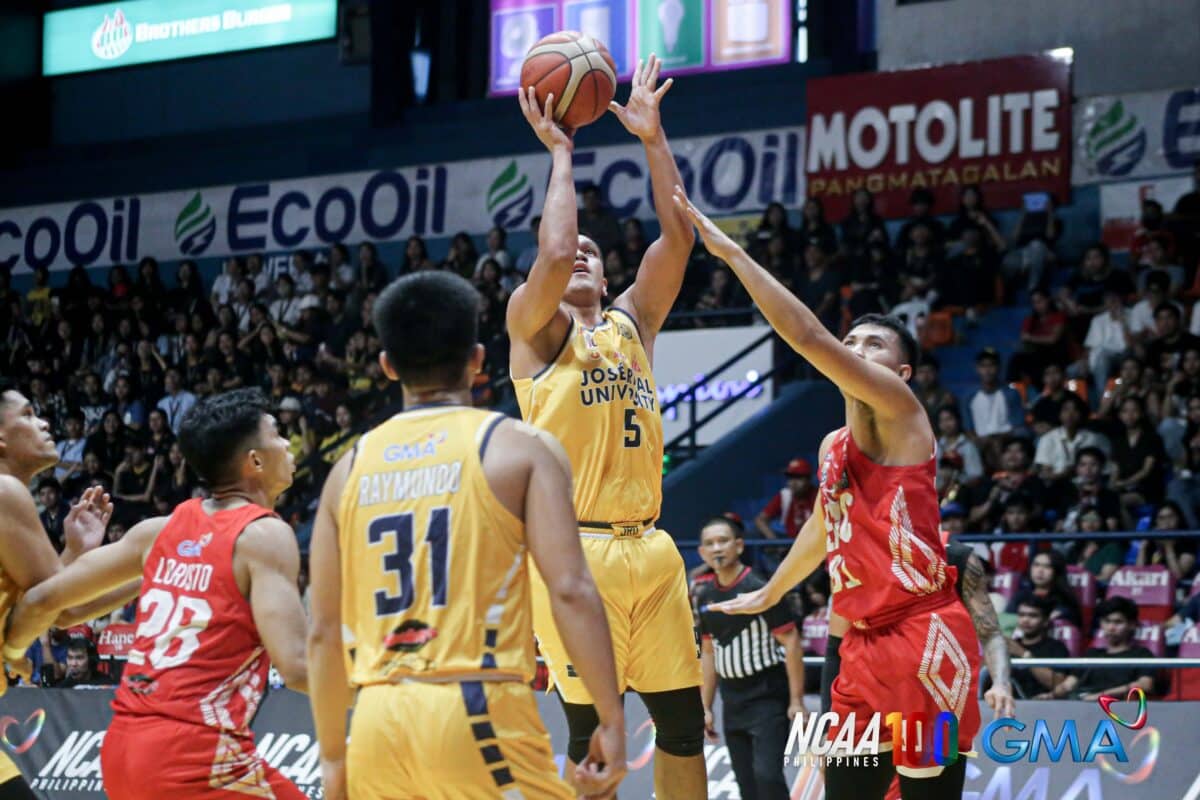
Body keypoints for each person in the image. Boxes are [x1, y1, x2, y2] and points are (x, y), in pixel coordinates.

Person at [676, 188, 983, 798]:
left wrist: (734, 254)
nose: (857, 349)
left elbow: (811, 338)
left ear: (899, 373)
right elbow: (823, 526)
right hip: (860, 646)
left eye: (874, 345)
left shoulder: (902, 409)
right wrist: (773, 589)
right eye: (855, 341)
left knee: (928, 793)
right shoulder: (831, 445)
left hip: (924, 635)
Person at [306, 272, 624, 800]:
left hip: (375, 717)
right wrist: (610, 719)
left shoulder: (348, 467)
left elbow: (321, 629)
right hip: (477, 703)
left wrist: (334, 758)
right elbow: (569, 588)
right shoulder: (519, 447)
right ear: (478, 360)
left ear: (387, 367)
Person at [506, 56, 705, 797]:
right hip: (576, 550)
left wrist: (654, 140)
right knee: (593, 738)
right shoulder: (532, 332)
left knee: (683, 726)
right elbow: (556, 250)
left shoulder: (633, 323)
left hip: (651, 547)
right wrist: (562, 151)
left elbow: (678, 238)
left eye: (594, 248)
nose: (580, 252)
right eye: (569, 252)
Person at [4, 388, 310, 800]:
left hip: (122, 748)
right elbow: (297, 667)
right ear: (253, 461)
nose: (287, 443)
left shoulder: (160, 533)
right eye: (277, 435)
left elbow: (49, 605)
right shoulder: (264, 535)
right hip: (197, 755)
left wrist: (13, 649)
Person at [0, 383, 111, 800]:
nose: (44, 422)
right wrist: (153, 569)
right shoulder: (5, 490)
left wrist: (73, 553)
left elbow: (41, 601)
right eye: (27, 414)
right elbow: (66, 608)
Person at [694, 516, 803, 800]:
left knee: (768, 776)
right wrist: (705, 707)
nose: (717, 548)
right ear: (701, 553)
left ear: (739, 546)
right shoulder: (705, 596)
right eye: (709, 544)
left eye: (723, 541)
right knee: (747, 786)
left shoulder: (760, 587)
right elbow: (708, 652)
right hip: (732, 701)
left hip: (768, 695)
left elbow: (791, 641)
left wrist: (796, 701)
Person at [1049, 597, 1156, 700]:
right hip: (1084, 707)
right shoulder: (1091, 654)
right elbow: (1069, 684)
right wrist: (1051, 695)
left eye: (1118, 622)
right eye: (1107, 621)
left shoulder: (1142, 654)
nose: (1111, 628)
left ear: (1132, 625)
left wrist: (1101, 696)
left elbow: (1145, 684)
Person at [1007, 597, 1071, 700]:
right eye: (1021, 615)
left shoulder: (1056, 647)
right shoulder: (1010, 645)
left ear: (1045, 621)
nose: (1025, 620)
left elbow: (1058, 684)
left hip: (1043, 706)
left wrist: (1023, 654)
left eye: (1033, 616)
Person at [754, 457, 816, 540]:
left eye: (798, 477)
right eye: (790, 477)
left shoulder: (818, 496)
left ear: (808, 479)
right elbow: (760, 520)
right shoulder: (785, 496)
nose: (793, 482)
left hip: (815, 544)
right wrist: (774, 542)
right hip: (792, 545)